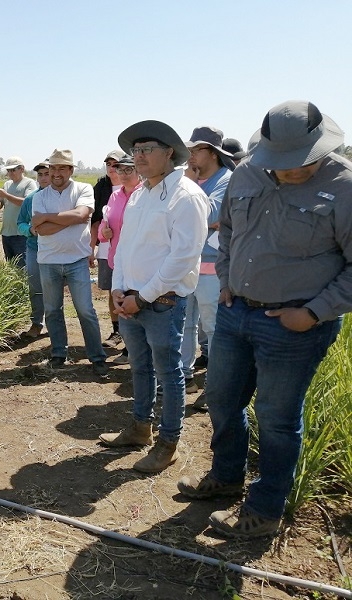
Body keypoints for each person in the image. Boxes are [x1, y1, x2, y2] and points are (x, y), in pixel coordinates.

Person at [177, 100, 352, 538]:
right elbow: (230, 229)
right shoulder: (249, 173)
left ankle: (264, 509)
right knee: (220, 399)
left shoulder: (345, 187)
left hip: (295, 326)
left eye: (299, 164)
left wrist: (312, 313)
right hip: (238, 313)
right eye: (279, 162)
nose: (287, 171)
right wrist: (230, 282)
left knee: (275, 417)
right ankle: (226, 477)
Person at [99, 121, 208, 473]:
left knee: (170, 372)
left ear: (169, 154)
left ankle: (168, 442)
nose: (139, 156)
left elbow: (183, 258)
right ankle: (140, 427)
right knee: (140, 366)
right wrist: (118, 288)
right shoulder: (142, 194)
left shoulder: (186, 196)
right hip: (130, 297)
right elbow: (126, 247)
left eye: (147, 149)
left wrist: (141, 298)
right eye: (136, 150)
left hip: (161, 302)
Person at [31, 149, 108, 376]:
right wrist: (72, 217)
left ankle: (96, 357)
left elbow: (83, 215)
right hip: (48, 261)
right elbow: (42, 231)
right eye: (53, 168)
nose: (56, 173)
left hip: (76, 260)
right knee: (53, 310)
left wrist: (49, 217)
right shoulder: (40, 197)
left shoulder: (83, 189)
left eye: (62, 168)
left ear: (71, 170)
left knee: (86, 310)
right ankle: (58, 354)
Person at [181, 126, 234, 400]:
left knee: (213, 328)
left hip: (213, 269)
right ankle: (185, 378)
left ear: (212, 153)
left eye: (195, 150)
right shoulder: (195, 181)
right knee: (186, 324)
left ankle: (214, 387)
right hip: (186, 265)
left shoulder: (227, 180)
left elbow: (211, 215)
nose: (189, 156)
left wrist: (189, 190)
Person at [97, 154, 142, 365]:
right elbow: (104, 225)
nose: (122, 173)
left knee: (136, 307)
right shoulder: (115, 196)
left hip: (137, 261)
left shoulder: (144, 194)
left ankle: (134, 351)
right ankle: (129, 347)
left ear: (138, 171)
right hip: (117, 260)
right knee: (121, 303)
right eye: (120, 169)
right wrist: (102, 233)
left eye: (128, 169)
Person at [92, 150, 124, 347]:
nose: (111, 168)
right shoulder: (102, 187)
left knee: (129, 290)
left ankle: (130, 335)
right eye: (108, 164)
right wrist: (92, 249)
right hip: (106, 247)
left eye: (116, 164)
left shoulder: (135, 187)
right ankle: (117, 331)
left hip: (128, 250)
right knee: (112, 289)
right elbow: (95, 220)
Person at [16, 160, 51, 338]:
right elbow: (20, 223)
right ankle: (37, 323)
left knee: (54, 288)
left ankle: (54, 323)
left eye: (47, 173)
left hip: (55, 251)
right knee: (35, 287)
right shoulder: (30, 199)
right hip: (34, 249)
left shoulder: (61, 197)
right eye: (40, 174)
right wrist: (29, 230)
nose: (43, 178)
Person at [0, 156, 37, 267]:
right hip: (7, 232)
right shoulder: (7, 184)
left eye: (13, 170)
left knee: (23, 266)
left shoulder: (29, 183)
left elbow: (26, 203)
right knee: (11, 266)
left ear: (22, 169)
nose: (10, 173)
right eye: (8, 170)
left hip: (21, 233)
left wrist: (5, 195)